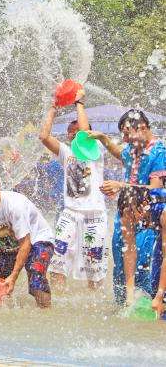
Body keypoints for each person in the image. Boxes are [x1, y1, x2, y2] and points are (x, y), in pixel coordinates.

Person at [89, 109, 166, 305]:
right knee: (120, 265)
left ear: (142, 128)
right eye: (122, 134)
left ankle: (149, 307)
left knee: (143, 265)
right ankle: (125, 307)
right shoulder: (133, 149)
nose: (124, 138)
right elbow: (119, 153)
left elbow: (156, 189)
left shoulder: (158, 152)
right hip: (126, 214)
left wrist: (120, 185)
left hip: (149, 217)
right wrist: (103, 138)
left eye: (126, 133)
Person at [39, 89, 107, 290]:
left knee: (94, 263)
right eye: (71, 131)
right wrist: (53, 107)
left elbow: (85, 133)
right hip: (69, 214)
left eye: (76, 130)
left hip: (94, 214)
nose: (73, 133)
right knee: (57, 260)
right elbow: (44, 136)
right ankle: (59, 298)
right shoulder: (66, 153)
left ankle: (93, 299)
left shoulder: (96, 152)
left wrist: (79, 103)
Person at [0, 166, 55, 308]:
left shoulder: (14, 206)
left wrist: (13, 276)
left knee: (35, 276)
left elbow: (26, 243)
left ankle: (46, 312)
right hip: (11, 245)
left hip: (38, 240)